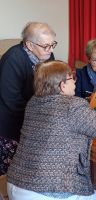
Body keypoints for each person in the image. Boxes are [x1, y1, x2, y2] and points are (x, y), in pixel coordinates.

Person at [7, 60, 96, 200]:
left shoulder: (33, 102)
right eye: (72, 77)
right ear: (62, 85)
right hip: (46, 191)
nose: (75, 82)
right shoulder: (72, 106)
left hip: (15, 184)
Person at [0, 22, 56, 175]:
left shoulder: (47, 55)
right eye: (46, 46)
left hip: (34, 118)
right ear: (30, 45)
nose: (50, 50)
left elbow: (50, 85)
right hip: (10, 124)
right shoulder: (12, 59)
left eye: (53, 45)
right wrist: (39, 114)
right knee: (12, 172)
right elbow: (11, 101)